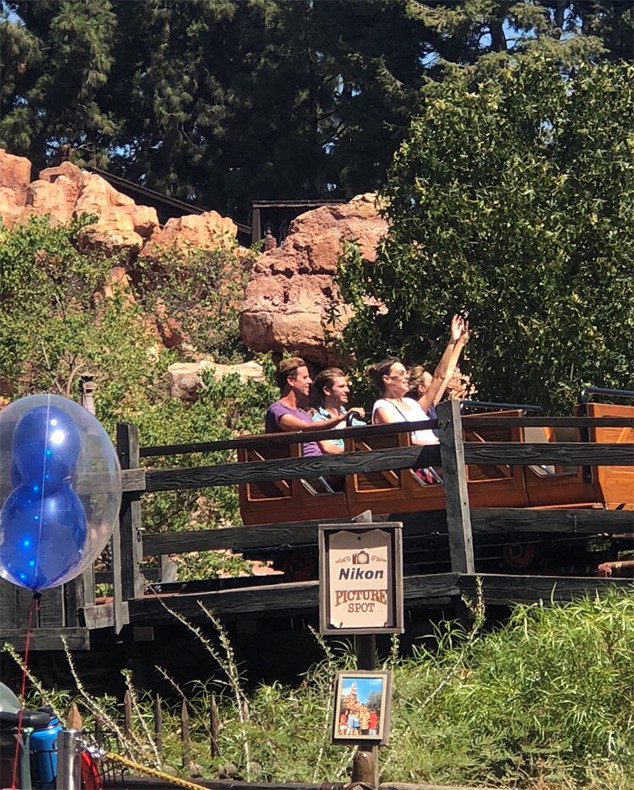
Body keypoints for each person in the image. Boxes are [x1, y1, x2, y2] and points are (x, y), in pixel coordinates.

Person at [368, 315, 470, 446]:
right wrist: (437, 445)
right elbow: (403, 441)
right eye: (401, 373)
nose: (406, 377)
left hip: (433, 453)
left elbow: (441, 377)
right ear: (387, 379)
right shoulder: (383, 407)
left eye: (406, 373)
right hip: (417, 459)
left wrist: (454, 342)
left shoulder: (412, 404)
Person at [265, 356, 362, 456]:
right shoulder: (277, 410)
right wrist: (343, 418)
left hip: (319, 463)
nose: (310, 381)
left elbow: (324, 445)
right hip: (301, 467)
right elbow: (305, 428)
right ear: (291, 381)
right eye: (305, 377)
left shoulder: (303, 413)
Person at [311, 367, 366, 454]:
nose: (347, 390)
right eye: (341, 387)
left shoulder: (353, 416)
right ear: (327, 390)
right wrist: (356, 450)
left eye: (346, 386)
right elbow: (329, 449)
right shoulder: (319, 420)